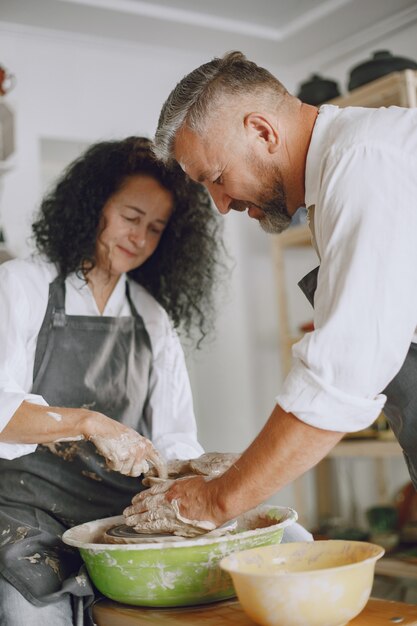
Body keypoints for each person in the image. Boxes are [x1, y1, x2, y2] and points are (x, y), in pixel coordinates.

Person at [124, 51, 417, 535]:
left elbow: (342, 375)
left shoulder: (363, 164)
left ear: (262, 132)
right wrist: (245, 468)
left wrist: (218, 499)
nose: (220, 206)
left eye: (216, 179)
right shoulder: (340, 175)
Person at [0, 136, 224, 625]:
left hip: (114, 520)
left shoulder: (152, 318)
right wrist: (89, 422)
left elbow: (175, 436)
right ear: (95, 206)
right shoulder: (21, 286)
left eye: (155, 228)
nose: (139, 238)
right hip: (25, 519)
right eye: (130, 217)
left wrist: (199, 472)